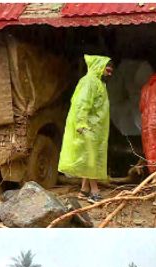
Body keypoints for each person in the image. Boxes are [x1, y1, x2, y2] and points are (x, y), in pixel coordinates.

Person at [58, 55, 112, 204]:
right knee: (91, 159)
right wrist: (81, 124)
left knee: (89, 158)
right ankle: (95, 191)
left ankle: (84, 191)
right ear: (99, 66)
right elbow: (81, 104)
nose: (110, 70)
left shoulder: (98, 83)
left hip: (95, 128)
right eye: (108, 67)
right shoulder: (89, 82)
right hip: (88, 128)